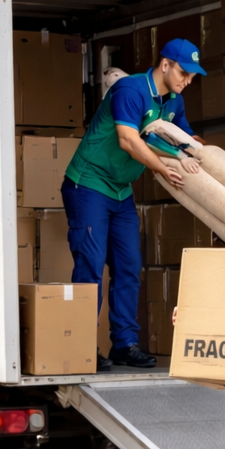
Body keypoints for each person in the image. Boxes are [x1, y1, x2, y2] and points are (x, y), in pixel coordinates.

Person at [61, 39, 205, 372]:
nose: (187, 81)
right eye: (184, 72)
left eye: (193, 76)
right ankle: (81, 346)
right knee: (91, 266)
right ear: (165, 64)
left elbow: (184, 139)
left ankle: (125, 344)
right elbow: (128, 140)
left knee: (128, 266)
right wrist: (162, 168)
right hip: (89, 183)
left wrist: (201, 152)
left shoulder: (174, 101)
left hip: (121, 190)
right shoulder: (130, 90)